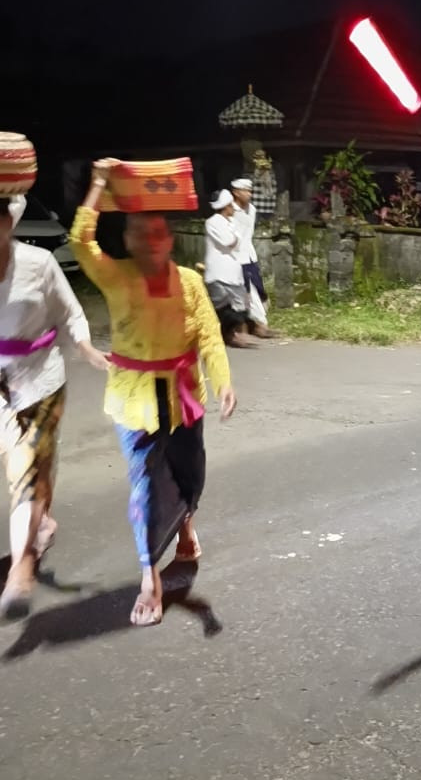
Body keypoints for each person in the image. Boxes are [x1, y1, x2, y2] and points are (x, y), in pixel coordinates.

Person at [70, 159, 237, 627]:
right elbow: (80, 241)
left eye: (159, 232)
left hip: (183, 396)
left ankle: (185, 527)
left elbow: (208, 336)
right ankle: (150, 575)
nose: (150, 240)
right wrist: (99, 182)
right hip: (133, 399)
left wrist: (224, 382)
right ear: (127, 240)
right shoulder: (116, 275)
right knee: (145, 485)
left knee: (190, 475)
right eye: (140, 233)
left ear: (169, 238)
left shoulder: (189, 282)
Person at [0, 193, 110, 619]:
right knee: (31, 467)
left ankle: (20, 571)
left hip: (39, 382)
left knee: (24, 470)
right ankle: (41, 523)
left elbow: (70, 312)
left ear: (10, 221)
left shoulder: (39, 263)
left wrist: (85, 347)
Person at [204, 191, 252, 348]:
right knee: (222, 306)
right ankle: (225, 335)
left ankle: (232, 334)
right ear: (225, 207)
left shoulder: (230, 222)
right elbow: (229, 241)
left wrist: (236, 238)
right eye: (231, 205)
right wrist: (236, 238)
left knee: (240, 305)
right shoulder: (212, 222)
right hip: (219, 273)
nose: (233, 208)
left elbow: (237, 242)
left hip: (232, 272)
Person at [230, 178, 273, 338]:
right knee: (246, 292)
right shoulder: (230, 210)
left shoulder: (252, 210)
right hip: (235, 257)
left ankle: (255, 324)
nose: (249, 194)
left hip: (250, 255)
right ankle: (258, 325)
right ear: (236, 192)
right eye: (245, 191)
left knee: (258, 289)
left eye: (250, 190)